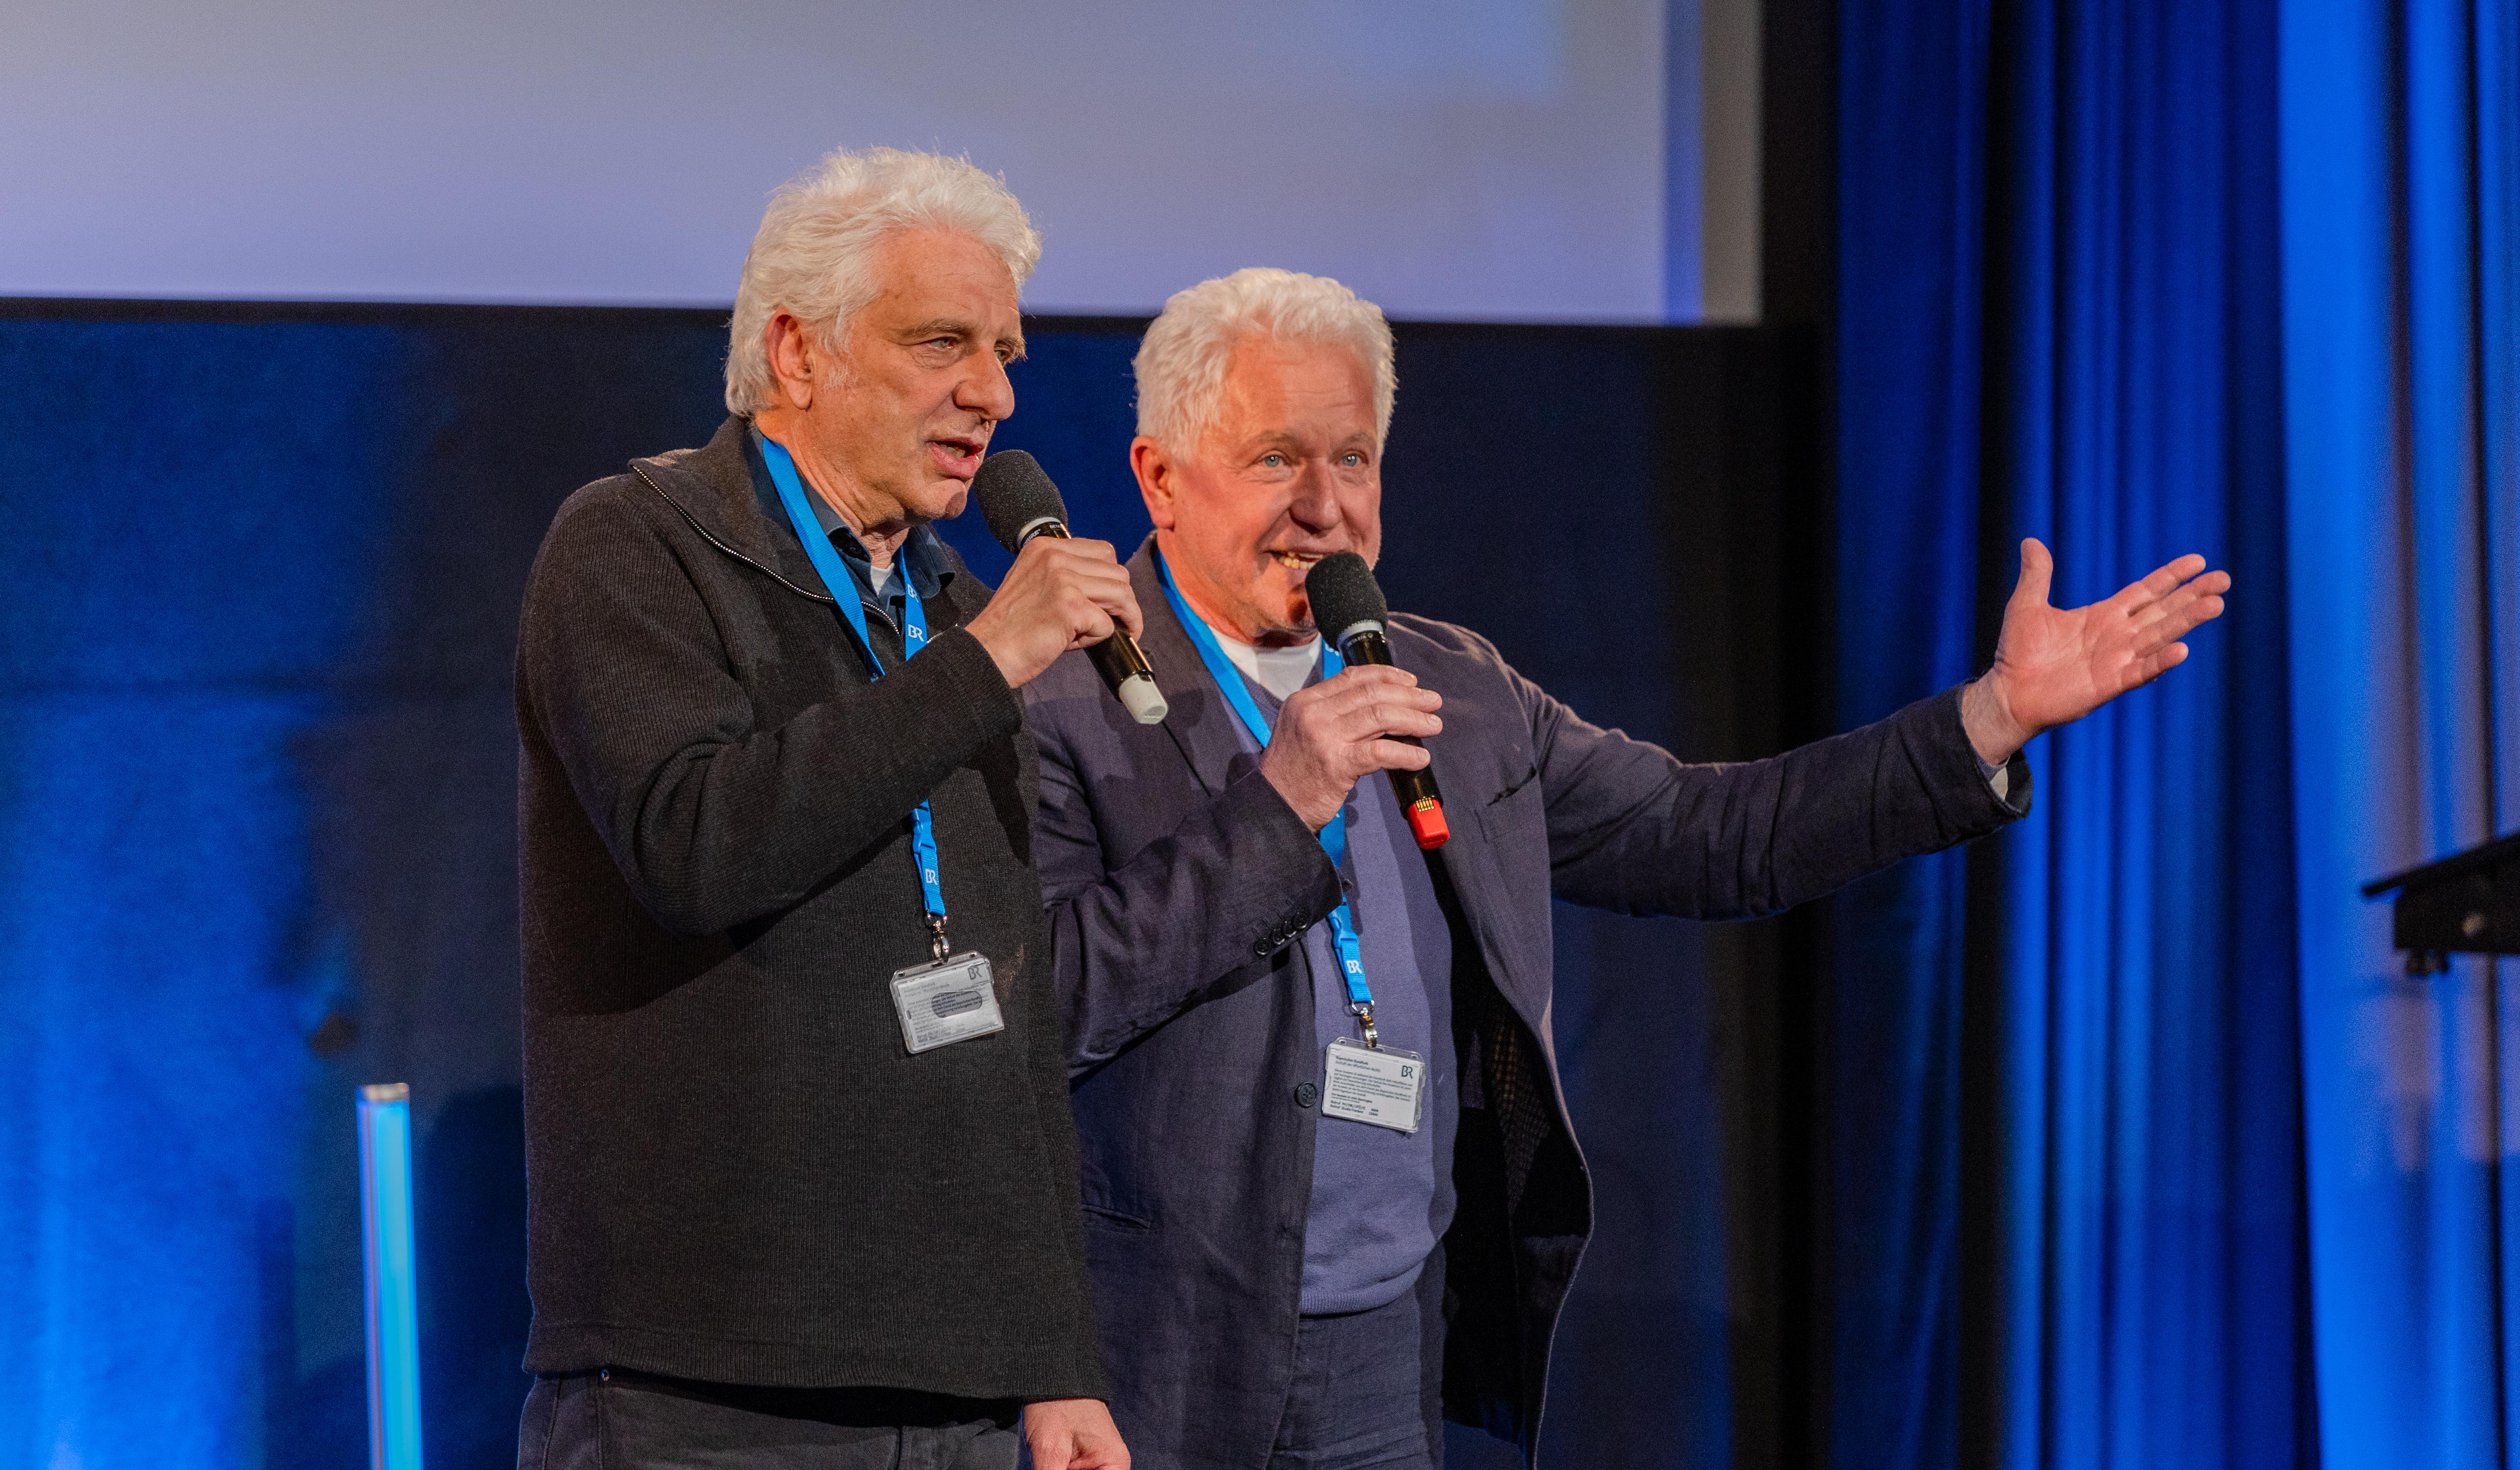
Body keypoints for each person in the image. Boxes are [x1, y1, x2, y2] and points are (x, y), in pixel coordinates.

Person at [1021, 268, 2230, 1469]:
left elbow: (1721, 835)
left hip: (1385, 1354)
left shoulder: (1463, 693)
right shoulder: (1061, 696)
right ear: (1161, 479)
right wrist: (1279, 810)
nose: (1326, 509)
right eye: (1278, 460)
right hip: (1152, 1354)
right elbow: (1046, 1007)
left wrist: (1989, 719)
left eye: (1353, 460)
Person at [512, 148, 1137, 1470]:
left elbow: (1012, 1014)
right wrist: (979, 670)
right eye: (943, 343)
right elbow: (694, 844)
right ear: (797, 355)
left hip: (964, 1389)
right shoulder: (636, 543)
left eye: (1007, 352)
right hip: (712, 1393)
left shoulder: (955, 610)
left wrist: (1055, 1358)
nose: (994, 392)